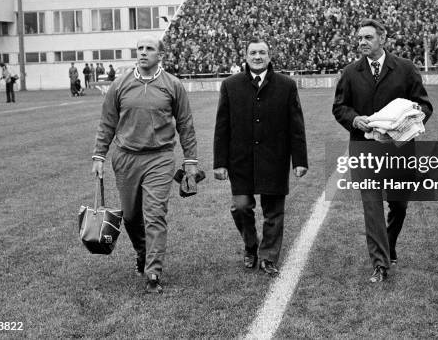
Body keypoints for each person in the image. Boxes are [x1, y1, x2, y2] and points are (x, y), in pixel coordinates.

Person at [91, 35, 198, 294]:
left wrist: (191, 161)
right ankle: (142, 252)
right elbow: (107, 122)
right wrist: (98, 156)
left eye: (149, 48)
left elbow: (185, 124)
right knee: (130, 216)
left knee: (155, 215)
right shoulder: (121, 84)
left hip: (159, 158)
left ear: (160, 55)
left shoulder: (172, 85)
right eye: (140, 48)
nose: (143, 52)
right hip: (126, 157)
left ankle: (153, 272)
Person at [332, 18, 432, 283]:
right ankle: (380, 264)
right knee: (372, 206)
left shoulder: (406, 69)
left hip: (398, 150)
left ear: (383, 39)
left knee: (398, 205)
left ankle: (388, 244)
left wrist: (408, 123)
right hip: (364, 150)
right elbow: (340, 107)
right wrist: (354, 119)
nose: (362, 42)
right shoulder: (350, 73)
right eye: (360, 38)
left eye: (368, 37)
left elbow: (424, 106)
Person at [213, 38, 308, 276]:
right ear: (245, 56)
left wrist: (300, 161)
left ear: (269, 56)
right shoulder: (230, 85)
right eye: (253, 52)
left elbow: (296, 126)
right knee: (241, 207)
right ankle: (250, 246)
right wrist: (220, 162)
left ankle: (268, 257)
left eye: (262, 52)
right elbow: (222, 126)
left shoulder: (286, 85)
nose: (257, 56)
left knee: (274, 212)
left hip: (274, 159)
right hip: (241, 161)